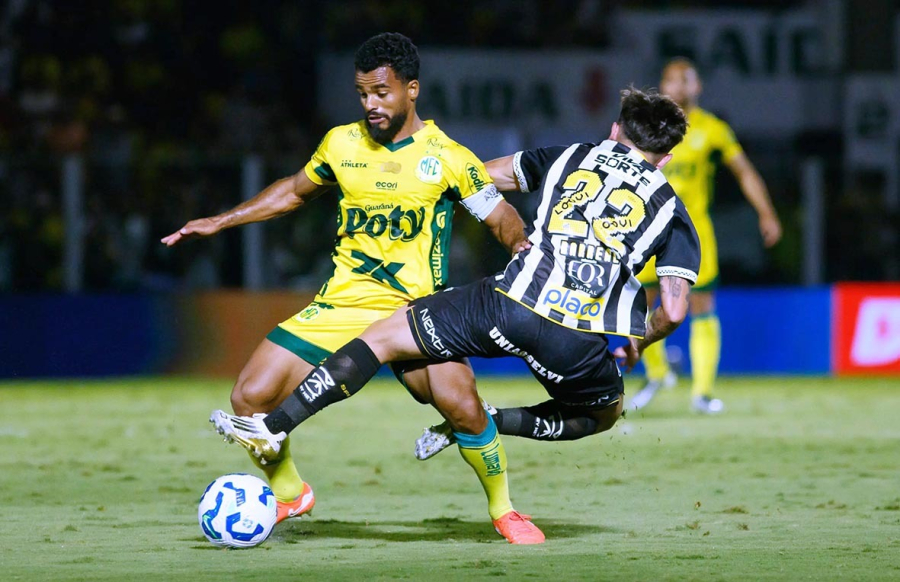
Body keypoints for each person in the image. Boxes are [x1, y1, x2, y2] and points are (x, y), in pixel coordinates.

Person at [210, 87, 700, 540]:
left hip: (506, 304)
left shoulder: (572, 156)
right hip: (575, 341)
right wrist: (639, 340)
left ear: (615, 130)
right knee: (601, 415)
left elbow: (483, 178)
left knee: (382, 338)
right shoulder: (673, 210)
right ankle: (499, 428)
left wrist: (417, 184)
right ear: (668, 158)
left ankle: (276, 424)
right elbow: (674, 310)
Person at [162, 33, 538, 543]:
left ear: (412, 89)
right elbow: (294, 192)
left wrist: (521, 248)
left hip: (411, 311)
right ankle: (292, 494)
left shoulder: (448, 157)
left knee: (463, 406)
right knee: (249, 398)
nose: (371, 104)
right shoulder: (342, 143)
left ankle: (504, 509)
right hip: (343, 302)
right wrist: (221, 220)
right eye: (363, 93)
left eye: (382, 92)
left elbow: (501, 217)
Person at [629, 58, 782, 414]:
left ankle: (702, 392)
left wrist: (766, 211)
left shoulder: (712, 128)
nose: (679, 85)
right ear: (662, 86)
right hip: (646, 229)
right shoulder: (648, 129)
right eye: (671, 79)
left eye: (686, 79)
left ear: (697, 87)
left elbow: (744, 171)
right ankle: (659, 373)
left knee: (701, 305)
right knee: (639, 303)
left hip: (692, 232)